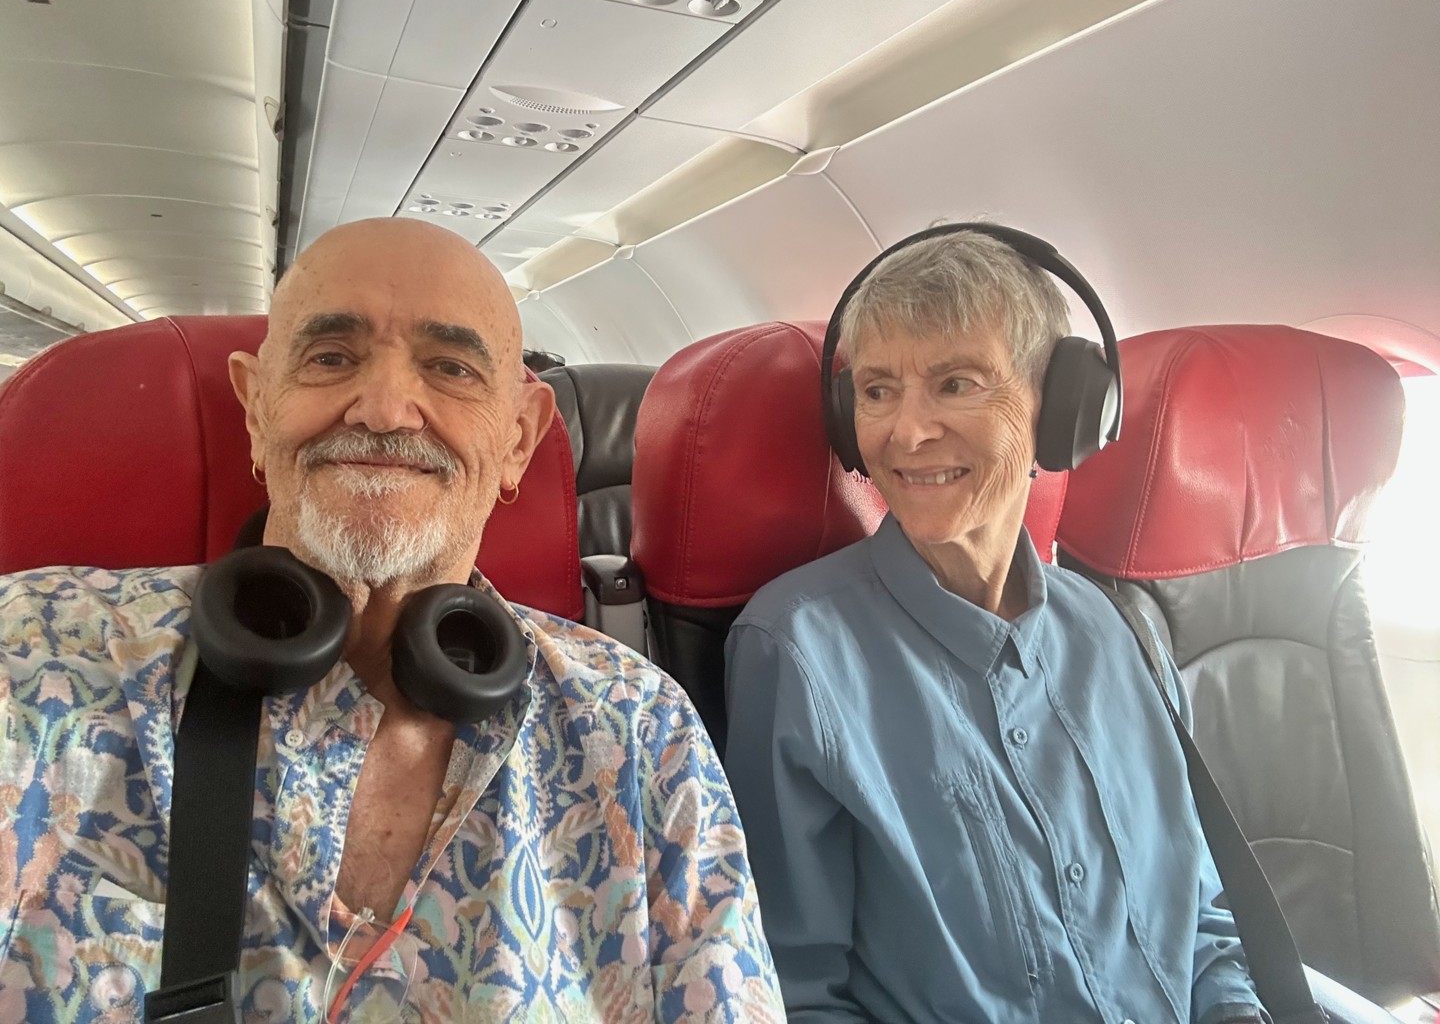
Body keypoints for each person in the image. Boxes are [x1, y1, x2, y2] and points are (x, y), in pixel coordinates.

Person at [0, 219, 781, 1022]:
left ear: (518, 440)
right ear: (256, 409)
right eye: (330, 357)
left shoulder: (638, 727)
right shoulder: (29, 654)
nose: (382, 410)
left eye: (450, 368)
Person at [723, 227, 1267, 1023]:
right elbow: (794, 993)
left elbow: (1205, 919)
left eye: (956, 384)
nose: (908, 433)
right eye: (877, 391)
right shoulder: (795, 650)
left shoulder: (1119, 633)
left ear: (1063, 407)